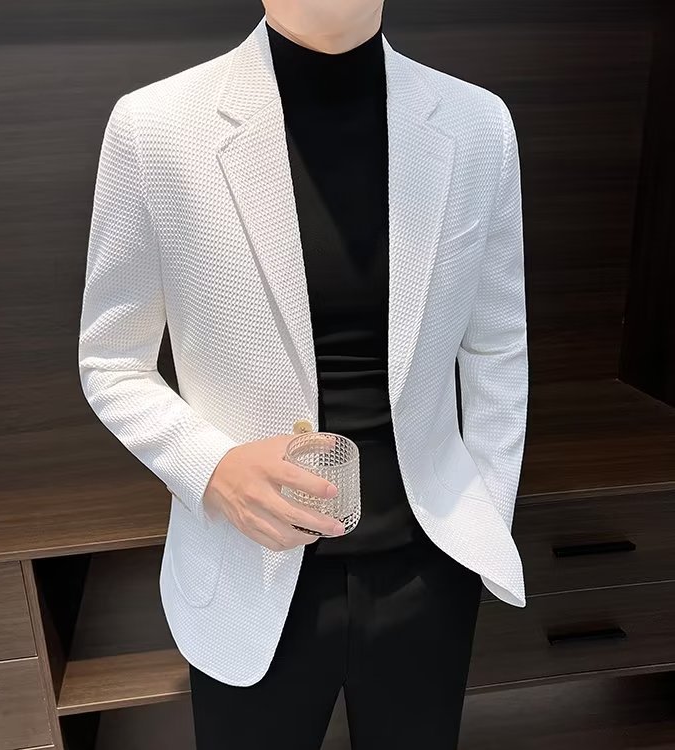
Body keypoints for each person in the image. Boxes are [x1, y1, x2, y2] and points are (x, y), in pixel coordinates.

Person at [77, 2, 528, 748]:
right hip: (246, 566)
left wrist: (483, 521)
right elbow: (110, 359)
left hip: (429, 569)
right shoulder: (154, 127)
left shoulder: (478, 125)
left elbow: (498, 347)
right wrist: (212, 468)